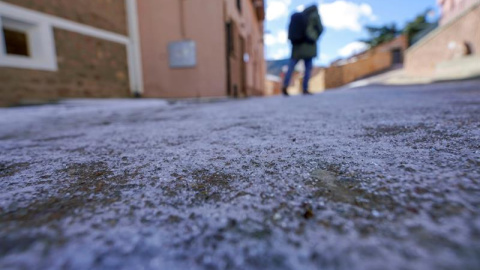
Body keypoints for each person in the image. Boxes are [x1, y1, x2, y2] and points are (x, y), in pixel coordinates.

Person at [282, 5, 323, 96]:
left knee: (291, 66)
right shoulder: (314, 15)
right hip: (309, 44)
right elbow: (320, 28)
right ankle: (305, 88)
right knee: (308, 68)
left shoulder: (299, 16)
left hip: (297, 46)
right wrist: (314, 37)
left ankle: (285, 84)